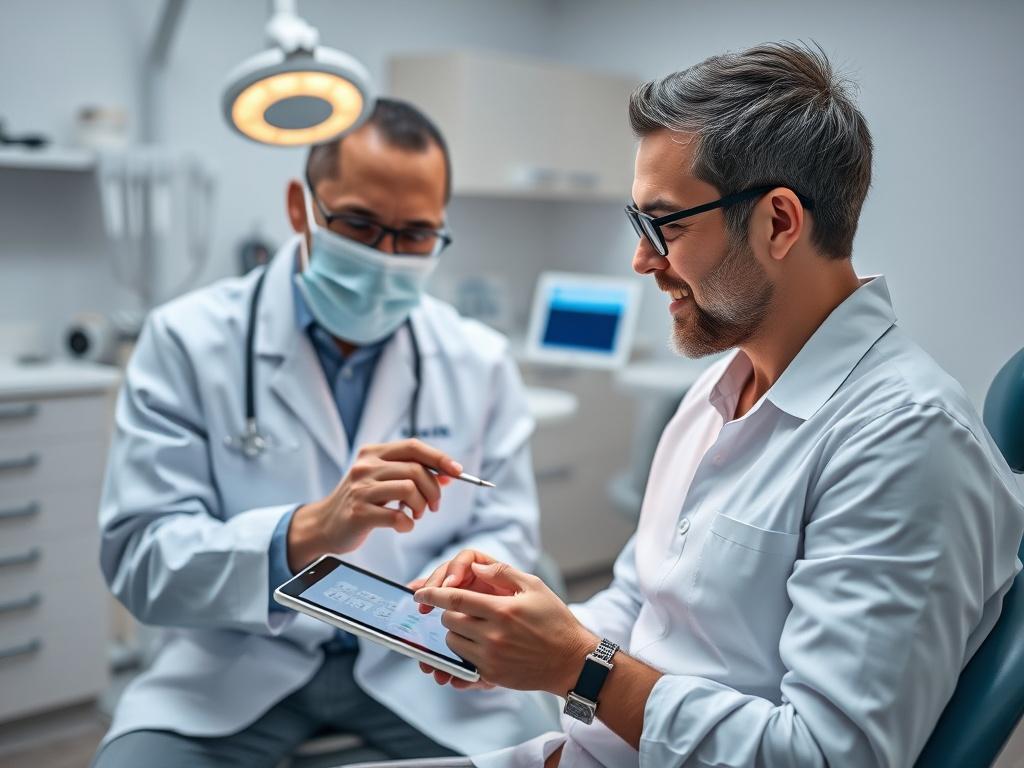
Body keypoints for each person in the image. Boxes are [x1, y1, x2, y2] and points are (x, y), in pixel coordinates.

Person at [413, 43, 1024, 767]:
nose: (643, 260)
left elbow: (828, 757)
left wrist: (581, 667)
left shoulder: (908, 442)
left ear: (777, 222)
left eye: (665, 225)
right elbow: (644, 602)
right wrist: (526, 632)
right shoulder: (716, 387)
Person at [92, 98, 557, 767]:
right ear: (298, 208)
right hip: (235, 660)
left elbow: (508, 528)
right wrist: (304, 532)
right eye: (361, 224)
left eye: (416, 234)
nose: (387, 257)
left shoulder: (476, 359)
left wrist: (466, 579)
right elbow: (141, 559)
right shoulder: (186, 341)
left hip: (417, 661)